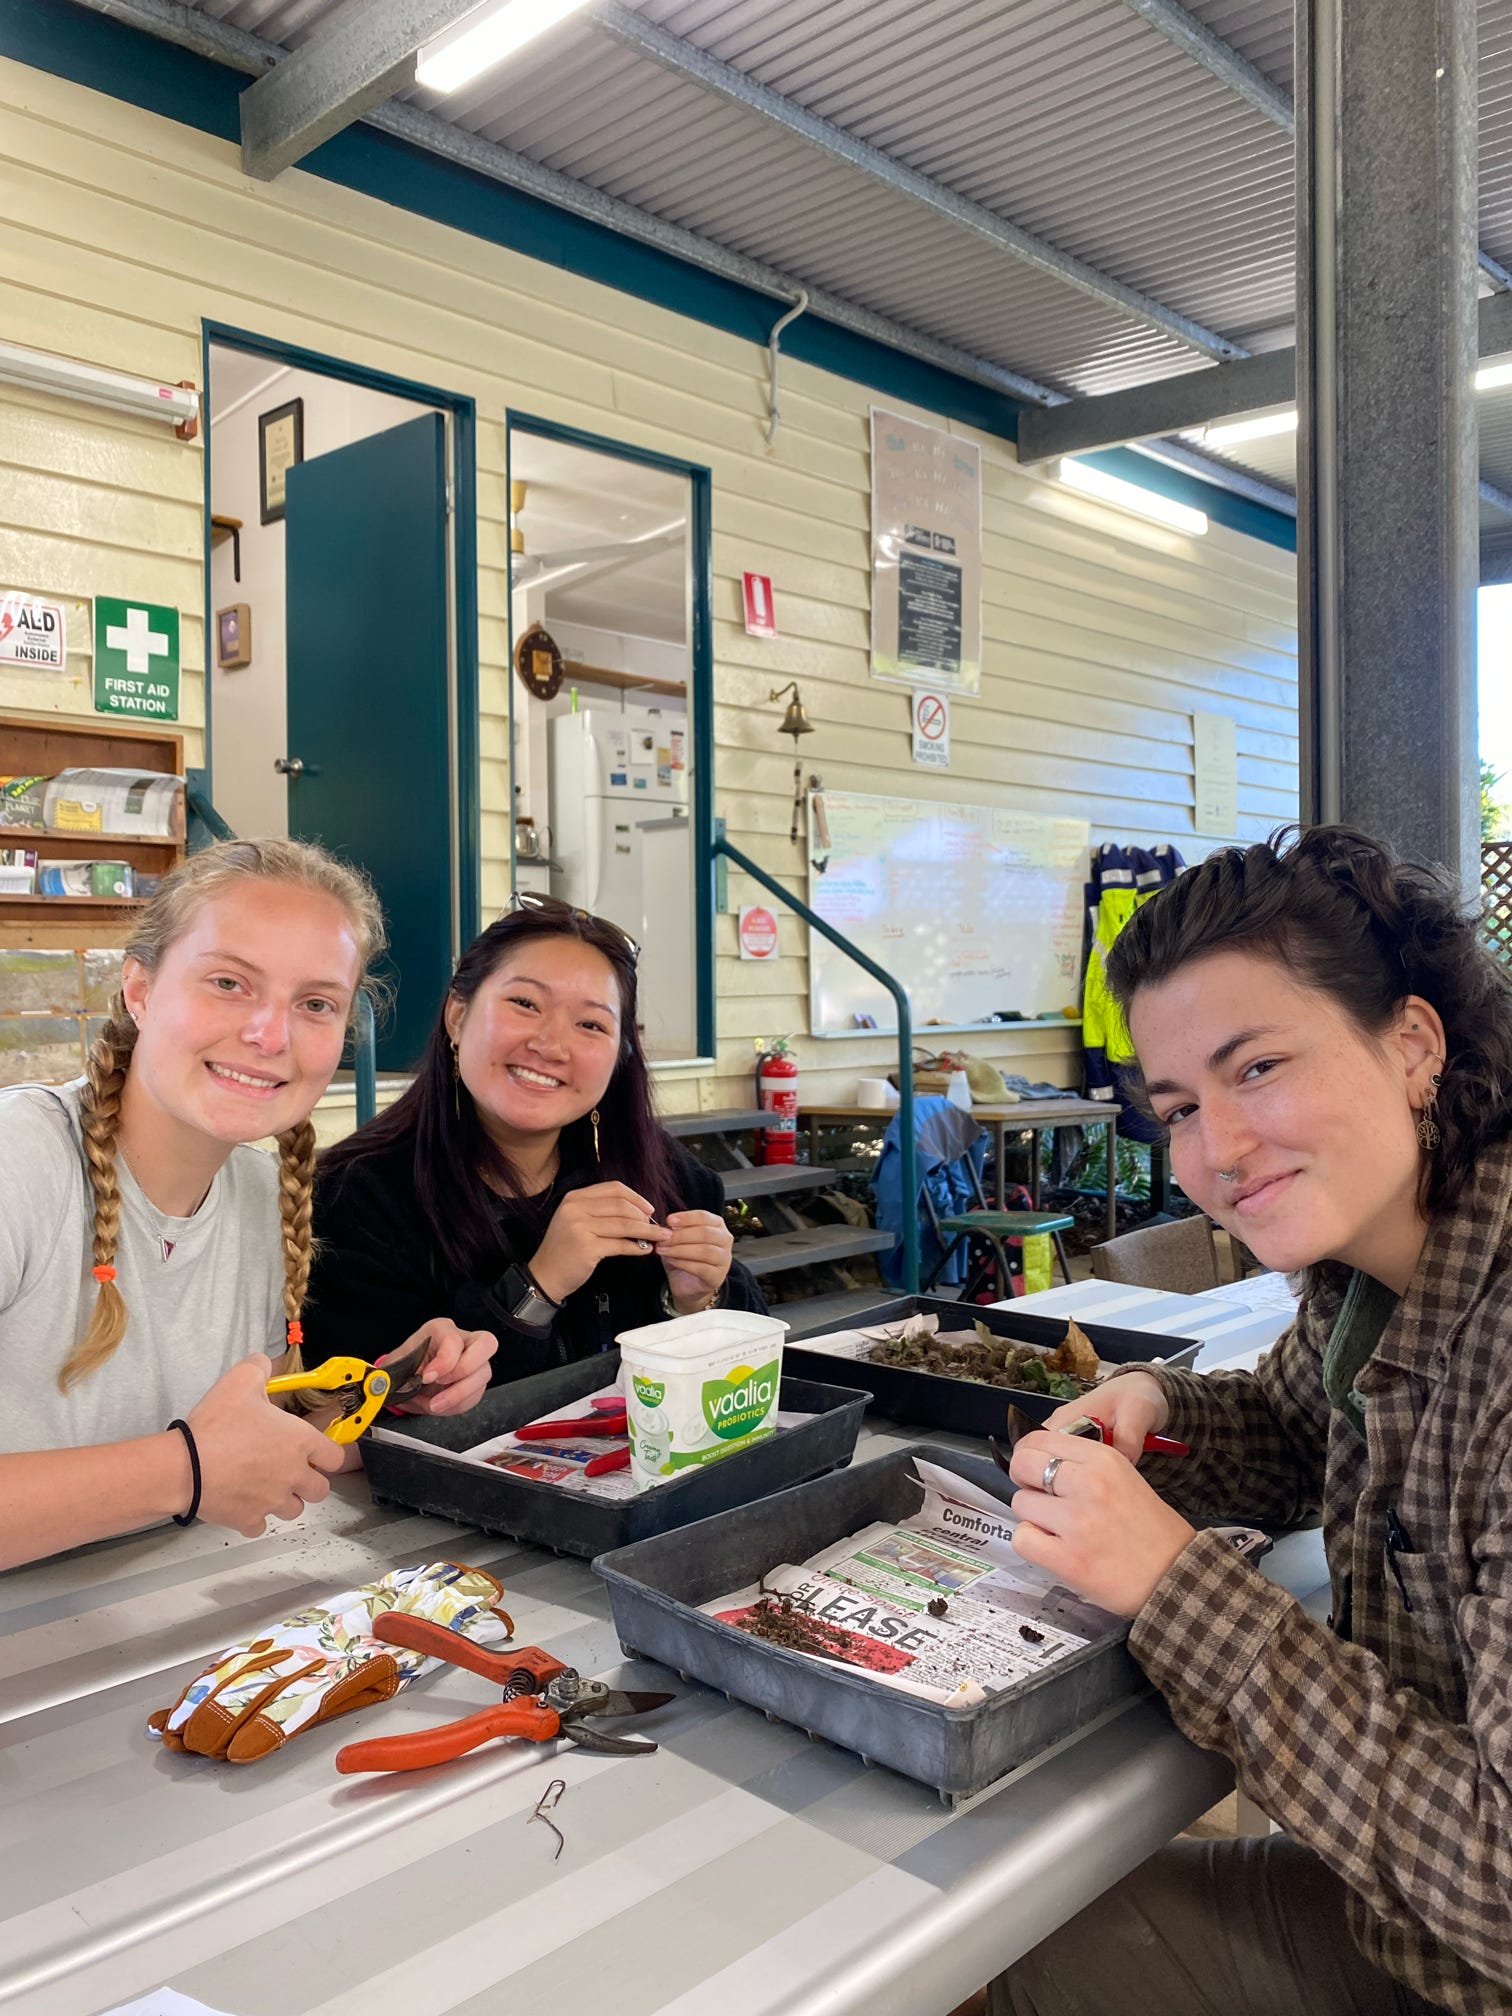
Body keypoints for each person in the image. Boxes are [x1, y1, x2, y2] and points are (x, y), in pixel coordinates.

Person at [994, 825, 1512, 2016]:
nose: (1217, 1149)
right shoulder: (1374, 1264)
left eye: (1260, 1067)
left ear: (1415, 1044)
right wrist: (1162, 1411)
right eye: (1177, 1105)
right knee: (1012, 1938)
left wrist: (1176, 1585)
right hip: (1409, 1925)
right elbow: (1294, 1429)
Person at [0, 839, 495, 1573]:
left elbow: (249, 1446)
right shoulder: (20, 1162)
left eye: (316, 1003)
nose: (271, 1034)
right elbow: (207, 1466)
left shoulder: (262, 1198)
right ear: (139, 989)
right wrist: (184, 1472)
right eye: (229, 983)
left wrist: (387, 1394)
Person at [302, 893, 768, 1381]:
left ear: (619, 1055)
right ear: (457, 1016)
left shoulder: (665, 1175)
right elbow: (368, 1411)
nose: (550, 1045)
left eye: (590, 1024)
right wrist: (538, 1286)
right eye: (525, 1003)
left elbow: (751, 1381)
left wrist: (701, 1301)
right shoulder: (356, 1194)